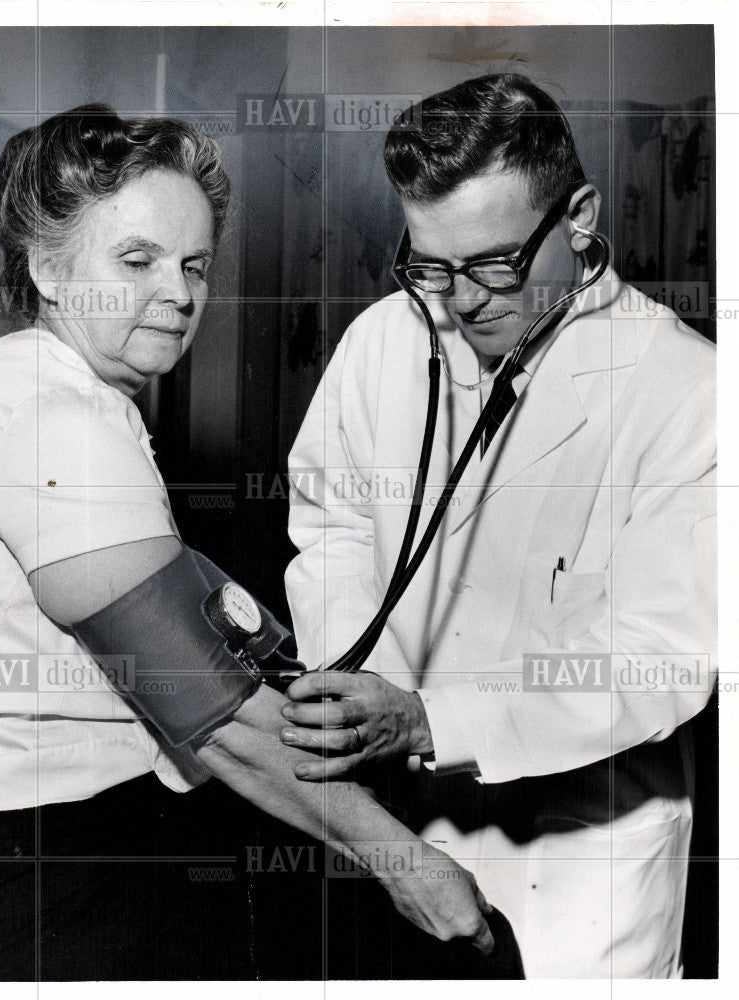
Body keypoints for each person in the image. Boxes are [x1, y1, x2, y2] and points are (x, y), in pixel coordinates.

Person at [0, 104, 495, 981]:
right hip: (51, 856)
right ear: (48, 269)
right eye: (137, 260)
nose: (179, 291)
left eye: (193, 264)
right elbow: (217, 715)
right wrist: (407, 863)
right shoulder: (48, 423)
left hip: (83, 827)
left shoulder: (61, 400)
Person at [282, 74, 716, 978]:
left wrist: (427, 721)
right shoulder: (382, 340)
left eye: (493, 263)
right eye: (430, 265)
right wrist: (356, 694)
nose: (461, 300)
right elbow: (329, 527)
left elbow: (657, 655)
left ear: (581, 216)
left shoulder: (690, 391)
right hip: (399, 830)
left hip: (580, 861)